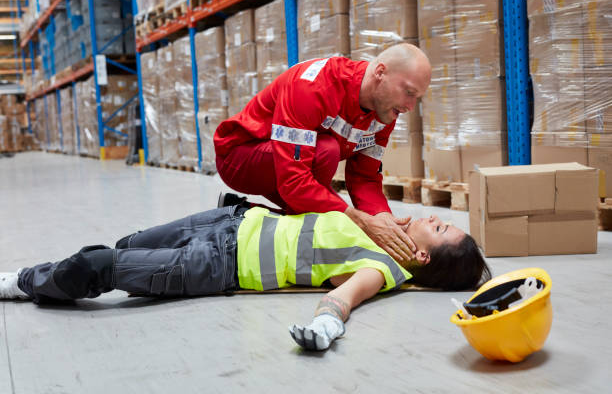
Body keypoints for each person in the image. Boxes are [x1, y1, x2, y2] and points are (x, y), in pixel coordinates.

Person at [0, 204, 490, 351]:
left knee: (98, 267)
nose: (430, 214)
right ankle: (39, 280)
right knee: (126, 245)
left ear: (423, 256)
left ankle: (22, 283)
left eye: (439, 226)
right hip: (231, 220)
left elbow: (345, 297)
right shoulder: (380, 224)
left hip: (218, 264)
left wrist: (327, 325)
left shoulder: (383, 268)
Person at [214, 43, 432, 264]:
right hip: (239, 157)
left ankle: (240, 213)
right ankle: (298, 236)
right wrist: (360, 221)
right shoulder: (312, 86)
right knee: (326, 155)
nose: (411, 106)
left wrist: (382, 218)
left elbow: (365, 178)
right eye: (409, 92)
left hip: (292, 167)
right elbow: (294, 182)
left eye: (417, 98)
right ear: (380, 72)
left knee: (329, 210)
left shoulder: (384, 112)